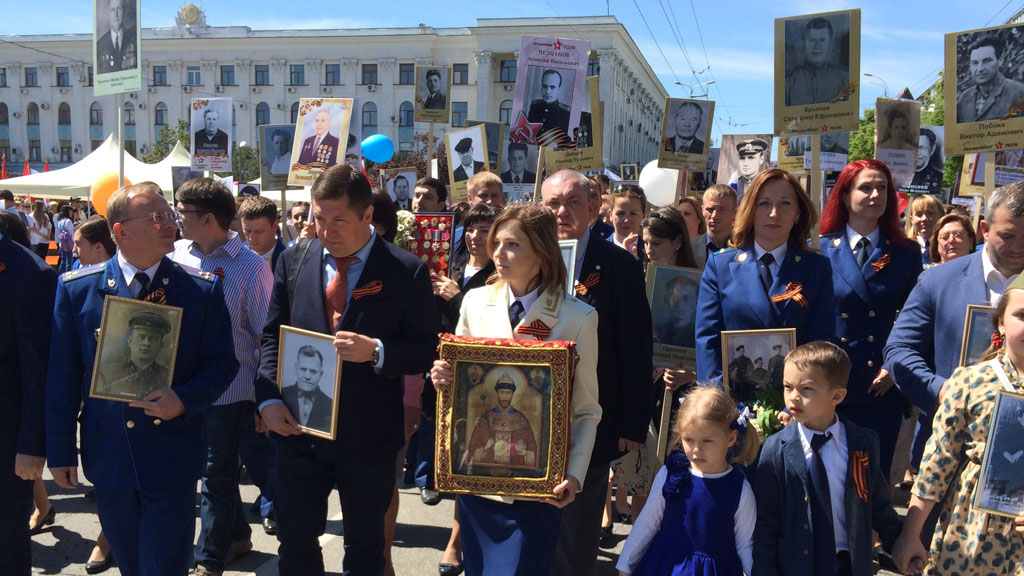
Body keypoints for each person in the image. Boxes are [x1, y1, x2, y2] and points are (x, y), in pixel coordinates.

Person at [254, 164, 439, 575]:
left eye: (338, 220)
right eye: (319, 218)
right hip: (298, 430)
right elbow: (272, 338)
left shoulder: (405, 270)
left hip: (368, 435)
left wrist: (377, 351)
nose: (326, 230)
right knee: (296, 543)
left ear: (367, 215)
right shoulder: (293, 260)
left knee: (365, 549)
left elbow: (426, 349)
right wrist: (266, 399)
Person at [46, 182, 238, 576]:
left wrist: (185, 398)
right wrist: (60, 450)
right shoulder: (79, 290)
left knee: (163, 567)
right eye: (156, 218)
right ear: (120, 231)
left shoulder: (201, 289)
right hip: (109, 453)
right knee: (133, 566)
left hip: (172, 455)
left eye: (170, 215)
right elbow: (62, 377)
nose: (169, 223)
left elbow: (223, 363)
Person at [429, 204, 601, 575]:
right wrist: (443, 377)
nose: (498, 254)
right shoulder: (475, 302)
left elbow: (587, 410)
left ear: (541, 253)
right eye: (497, 243)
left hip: (539, 487)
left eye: (512, 245)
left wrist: (574, 473)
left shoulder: (577, 317)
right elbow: (460, 386)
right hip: (479, 484)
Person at [540, 170, 653, 576]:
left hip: (592, 417)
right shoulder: (524, 258)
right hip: (530, 415)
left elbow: (636, 347)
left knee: (576, 529)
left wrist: (633, 421)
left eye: (572, 202)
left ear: (593, 208)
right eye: (553, 203)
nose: (561, 212)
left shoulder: (619, 266)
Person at [884, 182, 1024, 491]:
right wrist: (942, 391)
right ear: (984, 229)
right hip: (950, 456)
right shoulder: (938, 280)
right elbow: (899, 350)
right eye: (1008, 236)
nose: (1018, 248)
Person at [171, 177, 273, 575]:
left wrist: (267, 397)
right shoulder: (177, 254)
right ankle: (237, 536)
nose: (177, 219)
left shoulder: (251, 267)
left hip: (231, 391)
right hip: (184, 387)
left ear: (209, 218)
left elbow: (267, 336)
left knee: (215, 472)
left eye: (182, 212)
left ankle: (208, 558)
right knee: (217, 470)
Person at [892, 276, 1024, 576]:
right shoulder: (969, 382)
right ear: (1001, 322)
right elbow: (938, 461)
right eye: (1022, 315)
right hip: (970, 534)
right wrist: (911, 533)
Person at [754, 341, 904, 576]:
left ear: (837, 395)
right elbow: (766, 523)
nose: (793, 397)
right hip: (797, 567)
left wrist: (903, 546)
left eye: (806, 389)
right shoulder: (776, 450)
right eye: (787, 387)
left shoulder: (862, 443)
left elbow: (879, 507)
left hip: (848, 566)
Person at [819, 159, 923, 479]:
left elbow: (915, 319)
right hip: (830, 384)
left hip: (881, 385)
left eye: (882, 188)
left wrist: (896, 367)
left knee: (871, 486)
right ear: (845, 194)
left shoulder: (906, 252)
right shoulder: (818, 249)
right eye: (866, 187)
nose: (875, 194)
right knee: (828, 482)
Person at [696, 168, 836, 403]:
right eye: (764, 204)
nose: (774, 213)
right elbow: (707, 341)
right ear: (750, 211)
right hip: (733, 408)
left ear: (798, 213)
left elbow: (820, 342)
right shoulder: (720, 266)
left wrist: (803, 399)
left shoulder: (816, 268)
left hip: (795, 404)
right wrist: (721, 402)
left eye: (785, 204)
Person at [617, 386, 758, 576]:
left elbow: (745, 544)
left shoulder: (739, 489)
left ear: (731, 438)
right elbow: (647, 522)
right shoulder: (671, 473)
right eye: (689, 440)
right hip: (666, 567)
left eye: (707, 441)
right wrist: (626, 565)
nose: (697, 449)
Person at [0, 208, 57, 576]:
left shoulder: (29, 274)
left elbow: (38, 372)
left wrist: (32, 446)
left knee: (7, 548)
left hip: (6, 443)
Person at [465, 372, 539, 467]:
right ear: (497, 393)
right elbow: (471, 452)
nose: (505, 397)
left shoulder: (521, 419)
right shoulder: (486, 418)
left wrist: (524, 452)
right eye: (502, 392)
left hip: (516, 473)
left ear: (513, 394)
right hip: (486, 472)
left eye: (508, 393)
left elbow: (534, 452)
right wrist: (485, 447)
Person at [95, 312, 173, 399]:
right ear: (130, 341)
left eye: (153, 338)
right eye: (141, 337)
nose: (146, 343)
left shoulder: (167, 376)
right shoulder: (107, 374)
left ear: (160, 346)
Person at [955, 34, 1024, 123]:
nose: (980, 69)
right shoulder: (964, 98)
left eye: (987, 61)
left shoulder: (1018, 92)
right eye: (975, 63)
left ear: (1000, 61)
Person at [784, 16, 850, 107]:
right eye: (812, 40)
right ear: (804, 43)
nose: (817, 46)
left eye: (822, 40)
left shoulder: (845, 80)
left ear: (830, 44)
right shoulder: (788, 84)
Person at [280, 345, 333, 430]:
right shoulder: (280, 395)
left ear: (320, 374)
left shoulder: (331, 406)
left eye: (313, 371)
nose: (307, 376)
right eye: (303, 369)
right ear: (296, 368)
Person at [691, 184, 737, 270]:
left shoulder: (744, 249)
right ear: (702, 210)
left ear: (734, 212)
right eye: (710, 209)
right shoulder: (689, 249)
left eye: (722, 209)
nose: (714, 215)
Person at [239, 196, 287, 271]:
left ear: (274, 226)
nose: (251, 238)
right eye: (247, 231)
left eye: (259, 231)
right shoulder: (237, 256)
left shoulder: (290, 259)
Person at [655, 274, 699, 348]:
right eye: (675, 297)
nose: (680, 304)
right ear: (666, 300)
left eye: (687, 298)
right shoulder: (656, 332)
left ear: (696, 303)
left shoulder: (701, 336)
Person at [527, 69, 571, 138]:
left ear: (559, 90)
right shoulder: (534, 107)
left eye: (552, 87)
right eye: (545, 86)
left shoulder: (565, 113)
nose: (547, 92)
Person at [95, 0, 136, 73]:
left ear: (124, 11)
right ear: (108, 14)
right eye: (112, 10)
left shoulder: (134, 39)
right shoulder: (100, 45)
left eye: (119, 9)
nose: (116, 14)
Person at [904, 194, 944, 265]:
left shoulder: (947, 246)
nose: (924, 218)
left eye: (930, 213)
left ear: (941, 216)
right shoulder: (905, 247)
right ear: (911, 219)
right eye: (919, 215)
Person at [609, 185, 647, 255]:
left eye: (633, 214)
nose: (626, 220)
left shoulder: (650, 252)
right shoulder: (598, 250)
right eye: (620, 213)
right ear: (611, 214)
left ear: (643, 215)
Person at [909, 128, 944, 194]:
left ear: (932, 150)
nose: (918, 153)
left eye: (923, 148)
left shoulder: (938, 177)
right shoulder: (901, 176)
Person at [56, 205, 76, 273]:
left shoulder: (60, 221)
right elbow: (71, 234)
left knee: (63, 261)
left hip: (62, 243)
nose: (72, 213)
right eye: (70, 212)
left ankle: (60, 274)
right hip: (69, 244)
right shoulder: (68, 221)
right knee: (69, 262)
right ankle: (68, 274)